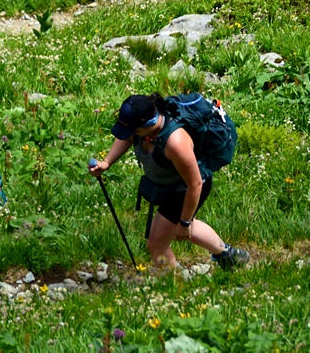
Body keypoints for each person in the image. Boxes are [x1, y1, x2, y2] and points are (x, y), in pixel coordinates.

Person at [89, 94, 250, 271]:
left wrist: (185, 223)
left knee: (157, 244)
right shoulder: (141, 129)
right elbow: (127, 138)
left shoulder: (175, 142)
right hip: (170, 186)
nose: (130, 135)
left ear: (147, 125)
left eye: (134, 131)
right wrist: (107, 162)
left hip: (185, 189)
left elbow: (195, 184)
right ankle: (228, 255)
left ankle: (174, 284)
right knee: (175, 226)